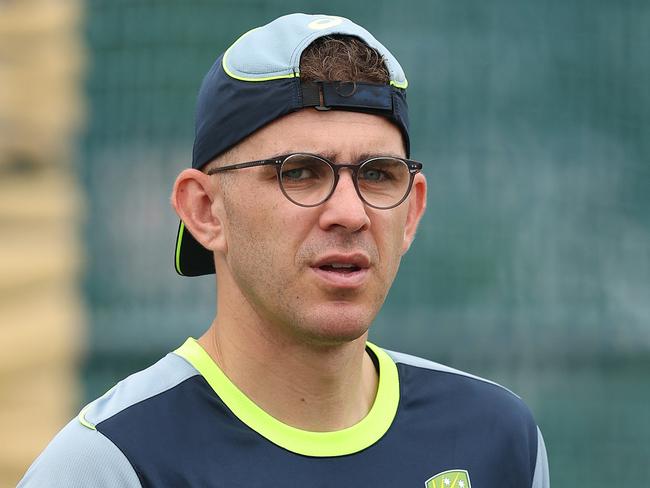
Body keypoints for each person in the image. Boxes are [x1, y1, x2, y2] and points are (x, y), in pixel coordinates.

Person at [19, 13, 549, 487]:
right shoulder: (111, 464)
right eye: (299, 171)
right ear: (205, 211)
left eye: (378, 175)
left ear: (411, 212)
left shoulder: (497, 440)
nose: (350, 212)